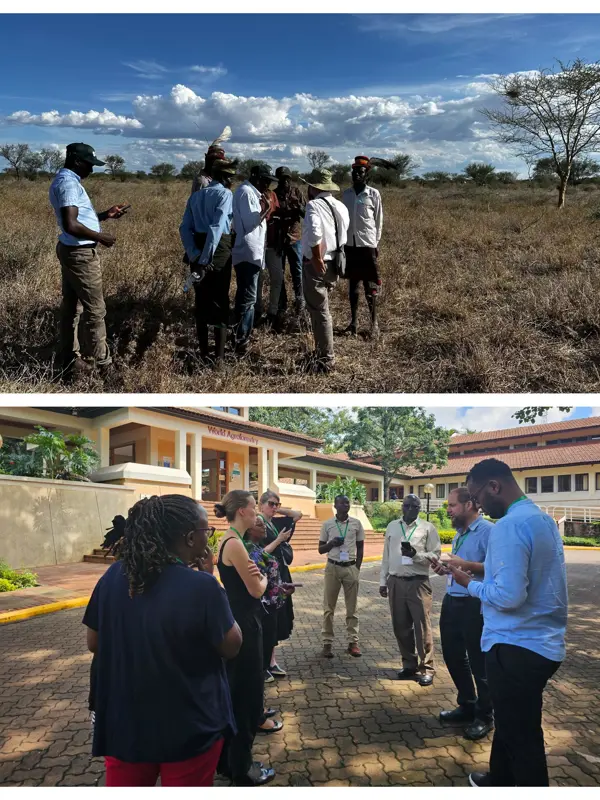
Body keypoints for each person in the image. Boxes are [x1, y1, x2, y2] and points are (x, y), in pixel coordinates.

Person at [82, 494, 241, 787]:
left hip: (126, 724)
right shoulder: (203, 587)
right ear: (191, 537)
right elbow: (231, 646)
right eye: (206, 532)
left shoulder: (114, 575)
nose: (208, 538)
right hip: (188, 726)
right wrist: (211, 579)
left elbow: (94, 642)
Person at [450, 459, 568, 788]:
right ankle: (500, 778)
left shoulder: (508, 526)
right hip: (542, 643)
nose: (478, 505)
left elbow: (508, 596)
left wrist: (467, 583)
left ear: (494, 487)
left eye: (476, 496)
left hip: (515, 646)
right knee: (512, 720)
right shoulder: (541, 519)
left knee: (523, 738)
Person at [49, 142, 129, 379]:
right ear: (76, 161)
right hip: (81, 255)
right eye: (89, 164)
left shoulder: (67, 181)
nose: (91, 170)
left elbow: (78, 218)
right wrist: (101, 236)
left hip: (72, 251)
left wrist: (106, 215)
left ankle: (69, 360)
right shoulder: (68, 184)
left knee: (72, 308)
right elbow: (71, 224)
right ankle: (103, 367)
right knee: (95, 311)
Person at [215, 490, 276, 786]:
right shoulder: (235, 544)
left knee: (238, 691)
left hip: (240, 620)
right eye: (254, 507)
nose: (257, 513)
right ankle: (242, 768)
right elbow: (256, 589)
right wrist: (263, 575)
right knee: (248, 697)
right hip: (245, 625)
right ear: (241, 511)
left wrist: (258, 574)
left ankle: (229, 761)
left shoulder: (229, 539)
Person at [429, 487, 494, 741]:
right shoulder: (459, 534)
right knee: (453, 656)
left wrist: (465, 566)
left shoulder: (489, 532)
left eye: (452, 505)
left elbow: (496, 568)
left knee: (479, 661)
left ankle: (485, 715)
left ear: (469, 505)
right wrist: (445, 569)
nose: (448, 510)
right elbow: (459, 567)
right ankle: (467, 703)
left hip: (474, 604)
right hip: (452, 600)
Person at [179, 159, 237, 365]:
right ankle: (219, 360)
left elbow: (184, 228)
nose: (232, 180)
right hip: (217, 250)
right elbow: (217, 227)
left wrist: (194, 255)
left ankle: (203, 353)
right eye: (230, 176)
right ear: (223, 177)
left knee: (201, 300)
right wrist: (205, 260)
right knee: (220, 301)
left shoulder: (195, 196)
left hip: (197, 247)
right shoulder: (225, 194)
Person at [379, 494, 441, 686]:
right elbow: (386, 556)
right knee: (401, 626)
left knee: (422, 627)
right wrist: (383, 581)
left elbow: (435, 555)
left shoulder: (428, 528)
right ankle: (409, 665)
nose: (410, 509)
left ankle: (427, 667)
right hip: (396, 581)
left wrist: (416, 555)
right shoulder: (392, 526)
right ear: (402, 507)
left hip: (418, 583)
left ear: (419, 508)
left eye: (415, 506)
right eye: (407, 506)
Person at [243, 516, 294, 732]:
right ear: (249, 529)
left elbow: (269, 581)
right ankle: (256, 716)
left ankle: (259, 708)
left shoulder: (256, 547)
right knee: (257, 667)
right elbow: (260, 584)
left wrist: (281, 589)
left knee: (263, 662)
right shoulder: (248, 551)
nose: (264, 526)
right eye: (259, 524)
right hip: (261, 612)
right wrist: (269, 586)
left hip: (271, 608)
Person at [301, 168, 349, 372]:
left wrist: (317, 258)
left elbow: (314, 233)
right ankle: (321, 351)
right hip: (336, 262)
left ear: (313, 187)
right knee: (322, 308)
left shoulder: (313, 205)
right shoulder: (341, 206)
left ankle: (326, 360)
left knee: (320, 311)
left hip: (318, 263)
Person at [231, 165, 278, 354]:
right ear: (256, 177)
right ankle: (241, 339)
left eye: (269, 180)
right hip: (248, 252)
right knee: (248, 298)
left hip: (252, 251)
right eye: (265, 179)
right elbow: (251, 222)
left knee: (246, 295)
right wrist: (266, 208)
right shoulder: (246, 192)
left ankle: (241, 335)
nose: (267, 183)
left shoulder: (251, 192)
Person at [257, 490, 303, 679]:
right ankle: (263, 664)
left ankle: (271, 661)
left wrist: (276, 508)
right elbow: (258, 553)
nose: (274, 507)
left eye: (277, 504)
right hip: (266, 575)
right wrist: (279, 540)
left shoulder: (274, 522)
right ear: (260, 505)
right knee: (267, 619)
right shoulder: (257, 524)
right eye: (271, 504)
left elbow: (297, 514)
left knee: (277, 619)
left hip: (280, 572)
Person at [318, 494, 365, 658]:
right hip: (333, 567)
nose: (346, 505)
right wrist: (332, 544)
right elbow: (321, 549)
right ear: (335, 505)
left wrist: (357, 568)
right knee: (328, 608)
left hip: (350, 568)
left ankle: (353, 642)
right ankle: (327, 643)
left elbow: (361, 548)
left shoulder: (356, 524)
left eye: (347, 502)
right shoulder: (328, 524)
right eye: (342, 503)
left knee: (352, 607)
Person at [342, 156, 383, 339]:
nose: (357, 174)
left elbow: (378, 221)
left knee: (370, 285)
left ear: (367, 174)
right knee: (353, 286)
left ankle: (374, 325)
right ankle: (353, 323)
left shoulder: (373, 194)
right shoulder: (346, 194)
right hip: (350, 245)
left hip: (367, 244)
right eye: (354, 171)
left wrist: (375, 243)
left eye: (361, 171)